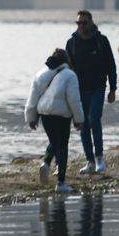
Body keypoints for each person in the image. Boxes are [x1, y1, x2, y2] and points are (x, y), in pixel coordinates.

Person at [62, 9, 116, 175]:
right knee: (82, 124)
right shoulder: (72, 43)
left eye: (84, 23)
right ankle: (90, 161)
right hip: (79, 90)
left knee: (94, 118)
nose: (81, 26)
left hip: (98, 87)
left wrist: (113, 88)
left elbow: (111, 65)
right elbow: (67, 70)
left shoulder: (101, 41)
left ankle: (100, 158)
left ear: (91, 22)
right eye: (78, 23)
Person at [25, 49, 84, 194]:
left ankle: (45, 163)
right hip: (61, 115)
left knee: (54, 141)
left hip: (44, 114)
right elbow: (74, 100)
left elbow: (32, 97)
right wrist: (79, 119)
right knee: (62, 146)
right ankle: (61, 183)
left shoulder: (41, 74)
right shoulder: (70, 75)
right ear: (66, 60)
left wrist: (31, 117)